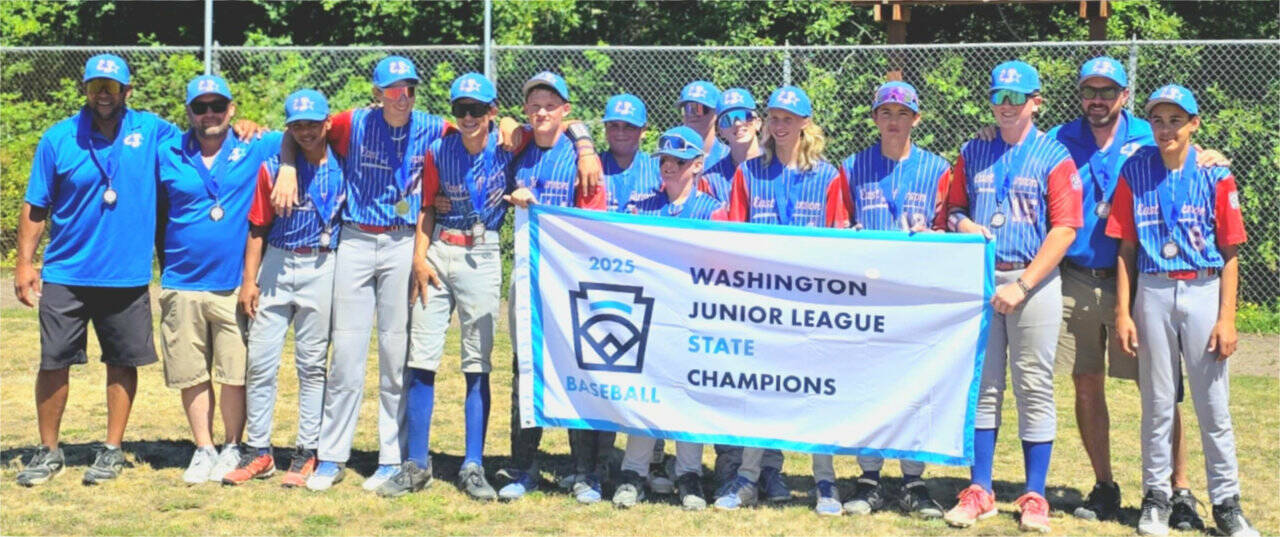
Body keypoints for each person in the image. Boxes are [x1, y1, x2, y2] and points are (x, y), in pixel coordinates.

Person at [1044, 57, 1209, 527]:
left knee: (1158, 390)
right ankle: (1104, 485)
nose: (1097, 99)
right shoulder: (1058, 139)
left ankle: (1177, 490)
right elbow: (1021, 148)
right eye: (1089, 90)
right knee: (1086, 381)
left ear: (1123, 95)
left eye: (1107, 90)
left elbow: (1186, 152)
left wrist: (1212, 153)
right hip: (1076, 275)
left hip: (1138, 281)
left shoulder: (1150, 131)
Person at [14, 54, 181, 486]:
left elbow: (200, 144)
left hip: (125, 275)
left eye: (112, 86)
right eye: (96, 86)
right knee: (54, 362)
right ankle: (49, 450)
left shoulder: (152, 130)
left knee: (122, 362)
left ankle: (111, 449)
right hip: (67, 273)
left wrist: (248, 132)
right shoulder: (59, 137)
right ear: (84, 90)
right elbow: (35, 205)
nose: (103, 94)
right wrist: (25, 263)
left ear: (128, 90)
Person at [1108, 85, 1258, 537]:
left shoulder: (1215, 173)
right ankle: (1155, 497)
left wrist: (1227, 317)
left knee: (1213, 406)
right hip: (1152, 289)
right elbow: (1126, 245)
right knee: (1157, 403)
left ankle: (1227, 503)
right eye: (1158, 119)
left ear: (1194, 123)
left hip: (1202, 288)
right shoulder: (1135, 169)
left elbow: (1231, 252)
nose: (1166, 128)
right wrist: (1123, 310)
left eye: (1176, 119)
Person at [941, 60, 1082, 533]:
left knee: (1033, 385)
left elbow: (1064, 229)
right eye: (998, 97)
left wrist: (1022, 286)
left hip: (1033, 280)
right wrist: (963, 224)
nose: (1005, 106)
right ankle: (980, 489)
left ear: (1035, 102)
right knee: (984, 385)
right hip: (982, 279)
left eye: (1015, 97)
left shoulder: (1054, 155)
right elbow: (953, 208)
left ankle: (1035, 495)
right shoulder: (974, 149)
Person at [715, 85, 851, 513]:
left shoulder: (828, 176)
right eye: (773, 117)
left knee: (815, 389)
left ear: (805, 123)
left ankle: (825, 482)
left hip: (811, 302)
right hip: (761, 301)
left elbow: (840, 238)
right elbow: (733, 234)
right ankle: (747, 477)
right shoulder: (749, 173)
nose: (779, 125)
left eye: (788, 118)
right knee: (758, 389)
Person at [376, 73, 509, 500]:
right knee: (422, 357)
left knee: (477, 361)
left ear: (492, 111)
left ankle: (473, 463)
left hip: (482, 252)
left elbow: (556, 128)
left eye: (477, 109)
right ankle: (416, 463)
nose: (468, 117)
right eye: (460, 109)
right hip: (439, 250)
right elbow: (428, 207)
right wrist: (418, 257)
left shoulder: (509, 147)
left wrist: (578, 142)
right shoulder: (438, 149)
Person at [156, 74, 282, 485]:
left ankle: (231, 445)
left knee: (234, 370)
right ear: (189, 112)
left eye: (217, 106)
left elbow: (313, 133)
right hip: (182, 279)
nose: (209, 114)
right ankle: (203, 447)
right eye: (200, 107)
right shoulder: (168, 151)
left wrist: (291, 166)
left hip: (234, 283)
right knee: (190, 371)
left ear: (231, 110)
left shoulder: (255, 144)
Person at [837, 81, 949, 519]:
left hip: (914, 297)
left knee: (915, 383)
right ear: (875, 118)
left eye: (902, 113)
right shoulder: (852, 166)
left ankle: (913, 478)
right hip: (867, 294)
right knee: (868, 381)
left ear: (916, 119)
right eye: (885, 112)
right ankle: (868, 476)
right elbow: (841, 222)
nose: (894, 121)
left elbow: (947, 225)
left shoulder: (938, 168)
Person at [499, 71, 611, 504]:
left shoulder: (583, 155)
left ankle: (586, 472)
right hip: (528, 274)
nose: (542, 112)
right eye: (535, 105)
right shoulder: (521, 147)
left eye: (551, 104)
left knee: (579, 368)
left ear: (566, 110)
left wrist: (583, 144)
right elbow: (494, 126)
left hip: (571, 278)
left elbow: (593, 222)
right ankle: (524, 467)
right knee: (524, 367)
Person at [223, 89, 341, 488]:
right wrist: (249, 280)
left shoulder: (344, 164)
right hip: (278, 259)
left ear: (328, 123)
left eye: (313, 123)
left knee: (311, 365)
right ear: (288, 128)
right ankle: (259, 450)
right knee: (260, 362)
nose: (306, 131)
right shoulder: (273, 166)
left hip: (322, 262)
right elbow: (257, 226)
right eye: (297, 125)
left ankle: (307, 451)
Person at [611, 126, 723, 511]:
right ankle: (633, 471)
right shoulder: (641, 205)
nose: (669, 167)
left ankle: (689, 472)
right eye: (663, 160)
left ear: (697, 164)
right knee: (645, 389)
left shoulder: (712, 211)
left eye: (678, 160)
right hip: (650, 317)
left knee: (689, 388)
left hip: (694, 318)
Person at [699, 87, 763, 203]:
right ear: (720, 131)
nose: (738, 123)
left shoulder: (778, 165)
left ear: (757, 123)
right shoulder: (711, 179)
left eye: (745, 116)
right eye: (727, 119)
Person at [600, 93, 660, 214]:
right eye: (614, 125)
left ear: (643, 131)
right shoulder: (594, 165)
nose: (620, 132)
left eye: (629, 127)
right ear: (606, 128)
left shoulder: (657, 168)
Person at [678, 80, 730, 166]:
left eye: (700, 109)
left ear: (717, 112)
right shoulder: (669, 157)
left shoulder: (729, 158)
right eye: (687, 108)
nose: (692, 114)